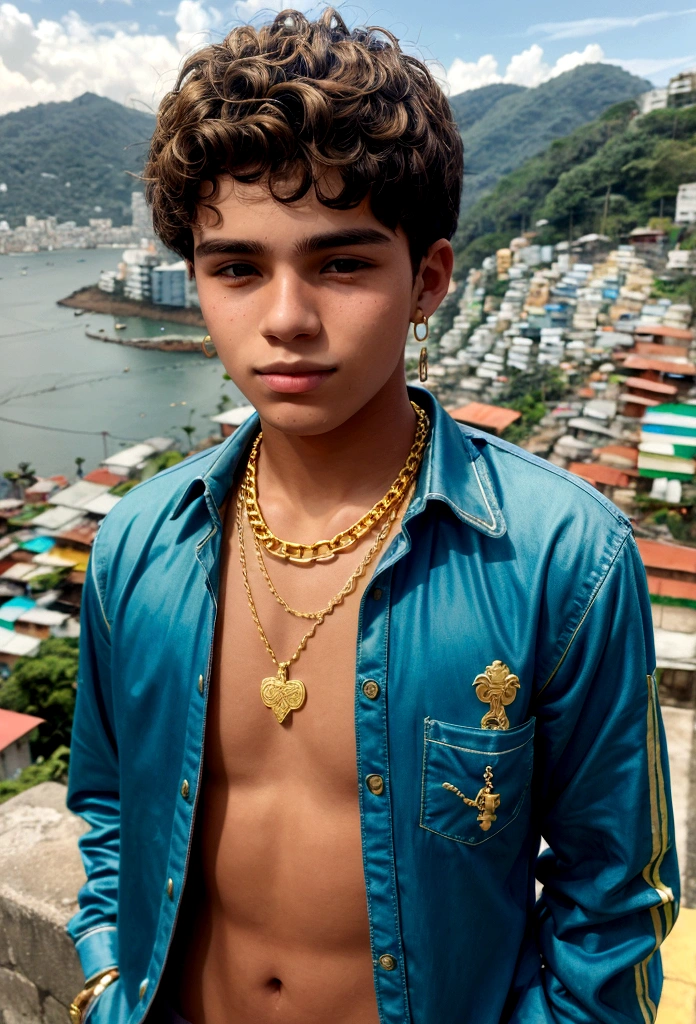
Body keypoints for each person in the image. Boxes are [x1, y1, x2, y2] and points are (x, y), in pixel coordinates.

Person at [66, 9, 679, 1024]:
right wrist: (102, 979)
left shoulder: (560, 559)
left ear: (426, 279)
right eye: (236, 268)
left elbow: (610, 898)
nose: (286, 318)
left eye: (342, 264)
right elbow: (105, 807)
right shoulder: (138, 544)